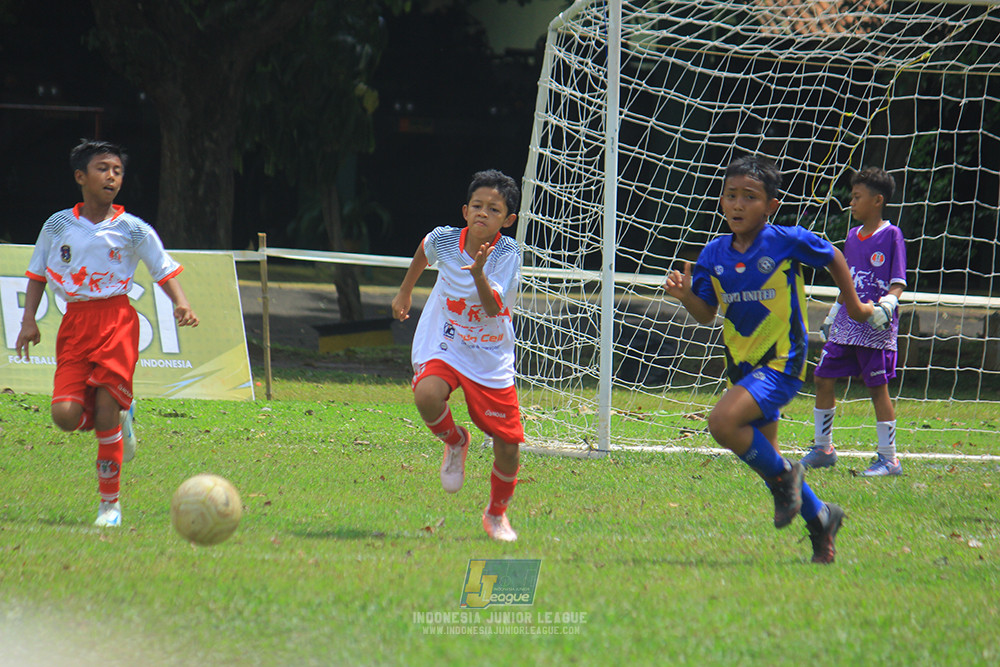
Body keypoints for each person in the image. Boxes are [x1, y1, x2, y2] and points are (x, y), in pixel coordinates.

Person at [663, 155, 878, 564]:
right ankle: (822, 519)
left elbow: (832, 254)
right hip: (742, 368)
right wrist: (686, 294)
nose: (738, 205)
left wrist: (853, 304)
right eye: (731, 196)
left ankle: (790, 480)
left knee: (722, 423)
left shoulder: (785, 240)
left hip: (783, 361)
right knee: (771, 464)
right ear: (721, 202)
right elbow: (707, 312)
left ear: (771, 205)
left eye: (750, 196)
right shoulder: (712, 255)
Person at [15, 139, 199, 528]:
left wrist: (180, 302)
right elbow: (36, 274)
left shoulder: (133, 229)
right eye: (102, 168)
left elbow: (162, 269)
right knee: (64, 416)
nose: (111, 176)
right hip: (75, 324)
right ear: (81, 177)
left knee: (104, 416)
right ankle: (121, 413)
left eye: (117, 170)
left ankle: (109, 506)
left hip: (116, 321)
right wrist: (28, 320)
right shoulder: (57, 224)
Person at [392, 169, 524, 542]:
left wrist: (479, 272)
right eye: (477, 206)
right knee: (426, 395)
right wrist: (405, 292)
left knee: (508, 447)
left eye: (494, 209)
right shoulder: (445, 240)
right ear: (465, 211)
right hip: (446, 338)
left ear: (508, 220)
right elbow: (424, 250)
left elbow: (490, 306)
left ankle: (496, 514)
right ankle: (455, 440)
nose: (484, 213)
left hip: (488, 350)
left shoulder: (509, 253)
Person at [803, 167, 907, 475]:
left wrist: (887, 304)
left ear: (877, 201)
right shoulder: (851, 236)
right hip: (847, 325)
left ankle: (889, 459)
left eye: (857, 197)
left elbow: (898, 282)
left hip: (875, 328)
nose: (852, 202)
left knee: (877, 388)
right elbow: (846, 283)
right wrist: (833, 314)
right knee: (822, 377)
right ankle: (823, 448)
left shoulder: (892, 235)